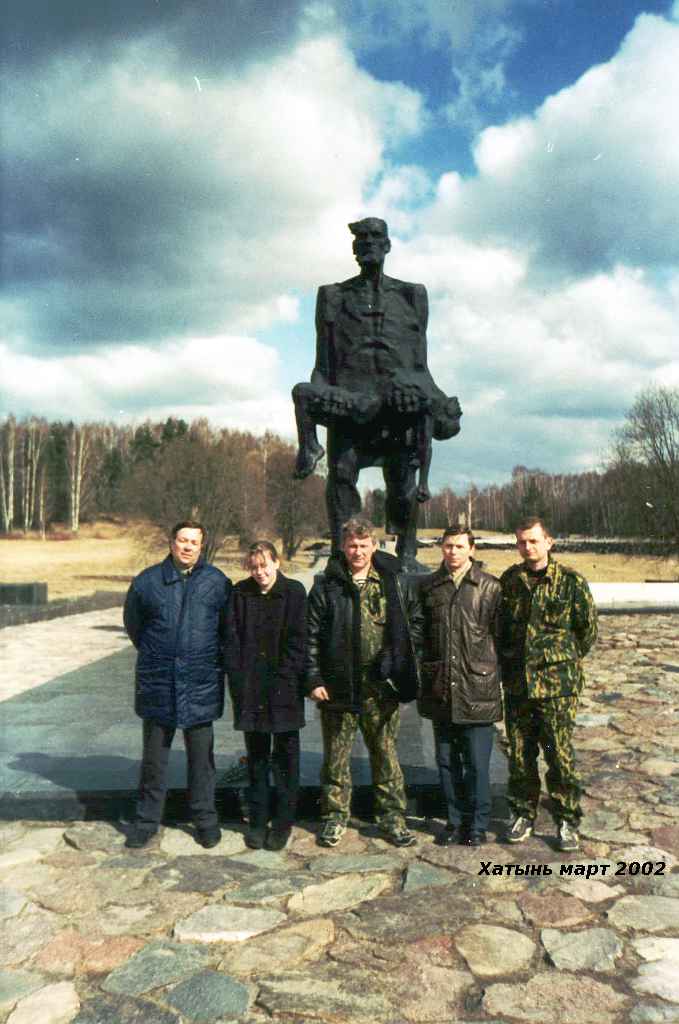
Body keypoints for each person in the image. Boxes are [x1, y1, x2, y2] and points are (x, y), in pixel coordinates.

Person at [292, 217, 461, 570]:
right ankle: (343, 556)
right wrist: (322, 399)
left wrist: (438, 403)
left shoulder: (412, 295)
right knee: (341, 476)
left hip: (397, 410)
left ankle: (407, 554)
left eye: (375, 236)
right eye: (362, 237)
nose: (368, 242)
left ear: (387, 245)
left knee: (403, 484)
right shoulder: (333, 295)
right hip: (351, 408)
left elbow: (421, 366)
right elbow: (322, 364)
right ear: (354, 247)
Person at [306, 516, 422, 847]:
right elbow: (310, 636)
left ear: (373, 545)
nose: (358, 551)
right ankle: (334, 817)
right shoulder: (327, 585)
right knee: (336, 759)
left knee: (386, 756)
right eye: (352, 545)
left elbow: (414, 625)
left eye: (363, 544)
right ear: (343, 547)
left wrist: (396, 658)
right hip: (338, 687)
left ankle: (392, 818)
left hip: (380, 689)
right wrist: (313, 678)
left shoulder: (393, 582)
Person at [123, 520, 232, 849]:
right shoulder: (147, 582)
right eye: (182, 540)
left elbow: (227, 630)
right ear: (171, 543)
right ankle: (146, 821)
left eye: (194, 542)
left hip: (200, 682)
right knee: (154, 760)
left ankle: (205, 820)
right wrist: (162, 653)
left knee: (202, 760)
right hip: (159, 681)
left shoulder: (217, 582)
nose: (187, 547)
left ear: (202, 546)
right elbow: (135, 626)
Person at [500, 517, 597, 852]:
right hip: (519, 686)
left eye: (534, 541)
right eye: (522, 542)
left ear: (549, 542)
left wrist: (558, 662)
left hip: (556, 688)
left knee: (559, 756)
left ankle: (567, 819)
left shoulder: (570, 582)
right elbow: (502, 630)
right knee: (520, 755)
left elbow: (587, 631)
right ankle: (523, 813)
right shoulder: (510, 581)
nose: (528, 547)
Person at [418, 526, 503, 846]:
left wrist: (490, 674)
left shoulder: (490, 587)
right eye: (447, 546)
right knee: (447, 761)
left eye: (459, 546)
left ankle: (478, 824)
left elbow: (502, 638)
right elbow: (421, 636)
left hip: (476, 690)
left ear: (472, 549)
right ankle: (454, 821)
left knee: (477, 764)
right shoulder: (430, 587)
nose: (452, 552)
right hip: (441, 689)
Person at [227, 541, 307, 851]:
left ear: (277, 562)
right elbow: (231, 639)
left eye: (264, 565)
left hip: (284, 688)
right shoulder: (240, 593)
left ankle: (283, 822)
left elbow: (299, 641)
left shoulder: (294, 592)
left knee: (286, 759)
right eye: (254, 567)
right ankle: (258, 821)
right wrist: (239, 679)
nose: (260, 572)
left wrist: (284, 678)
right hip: (250, 689)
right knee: (257, 759)